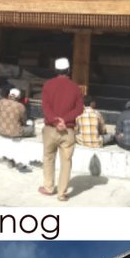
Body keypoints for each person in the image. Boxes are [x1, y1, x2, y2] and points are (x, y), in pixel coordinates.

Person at [39, 57, 83, 201]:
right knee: (66, 162)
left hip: (51, 128)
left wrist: (55, 120)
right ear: (69, 70)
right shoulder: (75, 88)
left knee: (48, 158)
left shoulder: (48, 85)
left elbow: (46, 106)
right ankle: (62, 193)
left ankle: (48, 187)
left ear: (56, 70)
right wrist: (65, 120)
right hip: (68, 130)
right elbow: (79, 109)